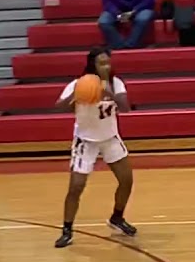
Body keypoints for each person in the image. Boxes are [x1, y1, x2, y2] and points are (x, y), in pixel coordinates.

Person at [53, 48, 138, 248]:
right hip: (86, 140)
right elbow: (58, 106)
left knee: (127, 181)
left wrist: (109, 93)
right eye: (102, 63)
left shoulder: (116, 83)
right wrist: (74, 96)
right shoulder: (79, 84)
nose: (106, 66)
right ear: (93, 65)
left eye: (108, 62)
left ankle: (117, 217)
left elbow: (125, 108)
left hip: (109, 138)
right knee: (76, 187)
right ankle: (67, 229)